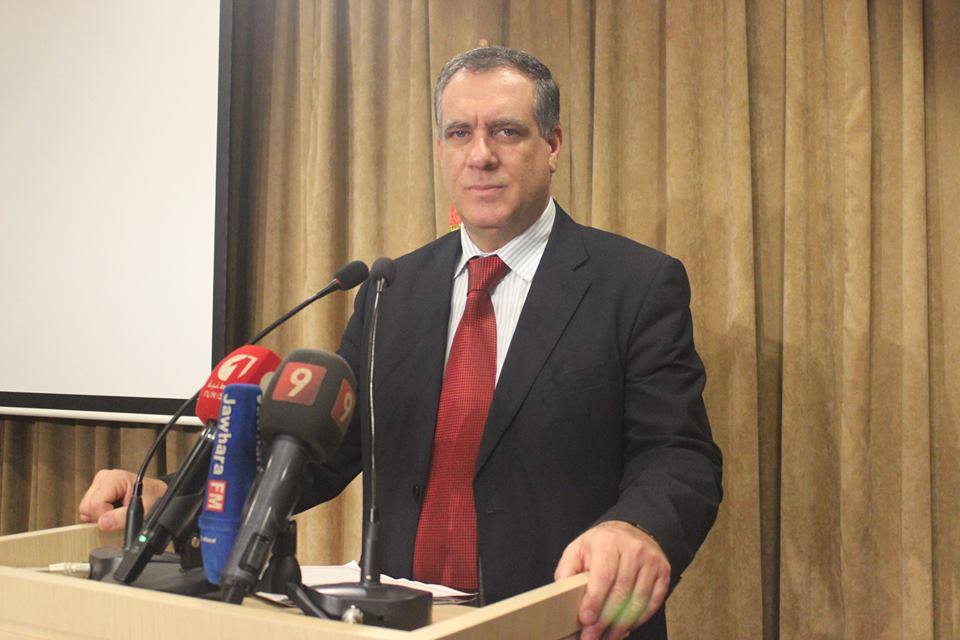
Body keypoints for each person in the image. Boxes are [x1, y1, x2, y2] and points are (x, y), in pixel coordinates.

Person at [80, 47, 722, 640]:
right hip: (408, 624)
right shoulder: (392, 288)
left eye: (506, 131)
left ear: (552, 145)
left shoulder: (635, 284)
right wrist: (174, 497)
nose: (480, 155)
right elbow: (313, 455)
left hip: (560, 621)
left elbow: (678, 454)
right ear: (441, 149)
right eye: (459, 133)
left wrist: (637, 527)